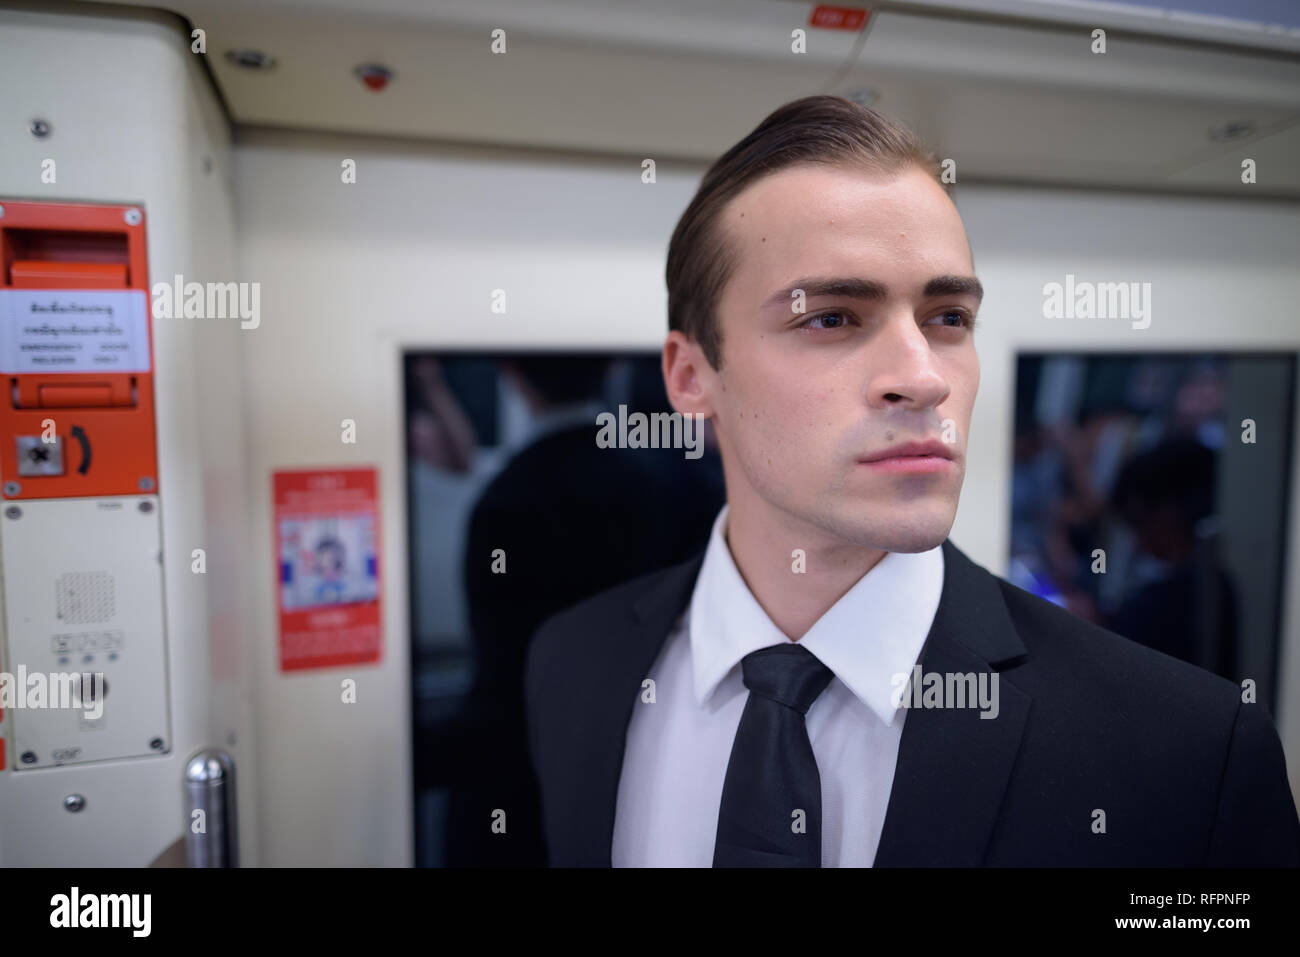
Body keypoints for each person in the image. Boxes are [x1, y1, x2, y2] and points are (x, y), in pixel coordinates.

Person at [523, 95, 1300, 867]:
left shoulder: (1185, 756)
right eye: (831, 317)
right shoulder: (573, 665)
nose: (923, 378)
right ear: (691, 377)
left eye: (948, 318)